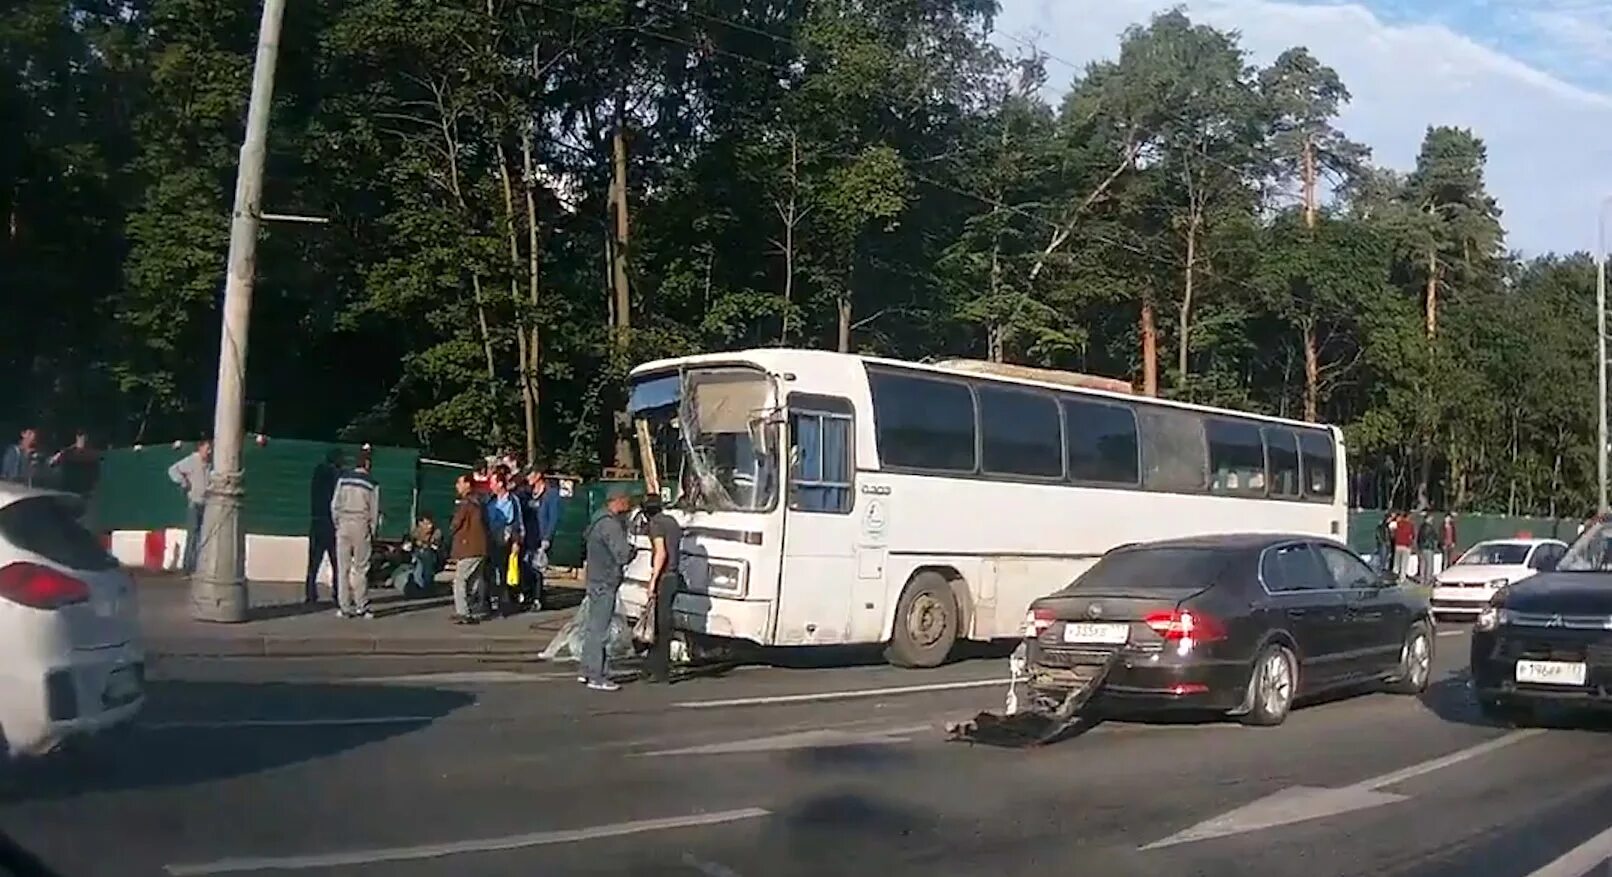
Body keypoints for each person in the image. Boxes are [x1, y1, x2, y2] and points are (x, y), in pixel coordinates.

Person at [580, 485, 636, 692]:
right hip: (605, 580)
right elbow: (621, 555)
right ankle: (598, 675)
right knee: (601, 630)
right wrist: (633, 551)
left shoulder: (597, 520)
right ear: (618, 500)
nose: (629, 503)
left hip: (594, 579)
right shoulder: (611, 526)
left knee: (592, 627)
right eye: (627, 499)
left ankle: (587, 670)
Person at [330, 451, 381, 619]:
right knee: (361, 568)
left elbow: (334, 505)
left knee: (342, 568)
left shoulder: (343, 479)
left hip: (344, 523)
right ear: (367, 464)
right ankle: (362, 606)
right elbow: (374, 511)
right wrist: (372, 531)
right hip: (361, 524)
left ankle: (344, 607)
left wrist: (338, 523)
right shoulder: (372, 483)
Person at [641, 492, 683, 684]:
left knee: (657, 624)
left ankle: (659, 669)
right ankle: (657, 665)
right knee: (663, 624)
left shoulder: (655, 524)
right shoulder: (672, 522)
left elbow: (661, 553)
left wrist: (653, 581)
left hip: (664, 577)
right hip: (674, 576)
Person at [304, 449, 344, 604]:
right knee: (336, 561)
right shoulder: (337, 476)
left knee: (313, 562)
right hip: (332, 523)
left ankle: (310, 593)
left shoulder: (318, 474)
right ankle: (337, 593)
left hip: (317, 520)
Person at [167, 439, 212, 574]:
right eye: (207, 448)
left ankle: (200, 567)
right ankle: (188, 567)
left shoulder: (211, 463)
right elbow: (173, 470)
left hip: (207, 504)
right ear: (200, 448)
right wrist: (184, 482)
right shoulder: (192, 460)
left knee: (203, 536)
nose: (209, 452)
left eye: (210, 449)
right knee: (192, 535)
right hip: (195, 502)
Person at [448, 474, 489, 624]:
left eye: (459, 483)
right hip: (480, 547)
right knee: (473, 581)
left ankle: (463, 612)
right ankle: (472, 608)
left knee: (460, 580)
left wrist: (451, 528)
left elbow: (456, 523)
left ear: (467, 484)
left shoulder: (466, 503)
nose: (456, 486)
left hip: (469, 548)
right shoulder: (480, 501)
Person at [520, 468, 562, 611]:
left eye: (530, 474)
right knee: (525, 566)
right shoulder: (528, 493)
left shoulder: (551, 494)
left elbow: (553, 517)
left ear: (538, 475)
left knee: (537, 569)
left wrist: (547, 537)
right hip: (528, 535)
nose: (528, 478)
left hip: (541, 537)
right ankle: (527, 595)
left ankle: (538, 599)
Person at [484, 469, 524, 616]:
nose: (490, 486)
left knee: (504, 572)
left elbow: (517, 523)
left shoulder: (513, 501)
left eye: (493, 482)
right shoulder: (489, 500)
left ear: (500, 483)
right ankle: (488, 602)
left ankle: (505, 604)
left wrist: (516, 542)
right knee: (489, 572)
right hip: (490, 541)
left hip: (504, 542)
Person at [48, 429, 100, 499]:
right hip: (69, 491)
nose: (82, 439)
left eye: (83, 437)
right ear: (77, 438)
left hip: (85, 492)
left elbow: (96, 472)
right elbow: (52, 462)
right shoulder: (67, 452)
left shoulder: (92, 454)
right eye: (80, 436)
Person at [409, 512, 444, 594]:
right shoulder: (417, 531)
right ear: (420, 523)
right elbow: (411, 541)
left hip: (433, 556)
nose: (430, 526)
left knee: (425, 560)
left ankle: (424, 586)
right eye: (426, 524)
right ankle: (418, 585)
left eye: (430, 524)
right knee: (419, 561)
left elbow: (436, 546)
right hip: (418, 555)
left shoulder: (436, 532)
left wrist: (425, 544)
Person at [1391, 509, 1415, 580]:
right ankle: (1402, 578)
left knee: (1396, 563)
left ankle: (1395, 577)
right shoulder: (1410, 525)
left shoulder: (1397, 523)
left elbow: (1392, 531)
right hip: (1406, 546)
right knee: (1404, 563)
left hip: (1398, 545)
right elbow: (1412, 536)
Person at [1417, 514, 1438, 585]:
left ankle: (1422, 580)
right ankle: (1428, 579)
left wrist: (1419, 547)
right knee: (1429, 564)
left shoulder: (1421, 527)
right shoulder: (1430, 528)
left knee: (1422, 564)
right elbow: (1434, 537)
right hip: (1429, 547)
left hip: (1422, 548)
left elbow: (1419, 538)